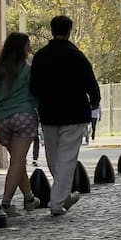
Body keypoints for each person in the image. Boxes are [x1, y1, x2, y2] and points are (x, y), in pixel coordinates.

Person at [29, 15, 100, 216]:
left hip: (49, 113)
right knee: (67, 158)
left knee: (53, 157)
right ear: (69, 31)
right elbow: (90, 81)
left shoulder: (40, 56)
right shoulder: (77, 56)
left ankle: (62, 196)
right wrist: (95, 101)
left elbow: (34, 87)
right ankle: (58, 201)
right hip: (74, 113)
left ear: (51, 30)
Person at [0, 32, 41, 216]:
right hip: (24, 117)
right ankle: (6, 203)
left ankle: (29, 199)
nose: (29, 49)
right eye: (27, 46)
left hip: (3, 120)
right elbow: (35, 95)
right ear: (21, 49)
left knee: (18, 161)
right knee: (18, 161)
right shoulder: (27, 70)